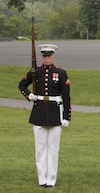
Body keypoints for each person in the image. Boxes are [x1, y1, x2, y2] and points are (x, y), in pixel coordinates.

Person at [19, 43, 71, 188]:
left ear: (53, 57)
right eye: (44, 56)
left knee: (53, 149)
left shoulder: (61, 73)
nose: (46, 59)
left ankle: (51, 179)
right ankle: (42, 179)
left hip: (55, 111)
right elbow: (22, 85)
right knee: (40, 149)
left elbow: (66, 97)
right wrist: (29, 95)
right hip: (39, 112)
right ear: (41, 57)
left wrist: (66, 117)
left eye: (49, 56)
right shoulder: (35, 72)